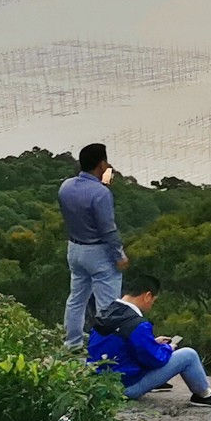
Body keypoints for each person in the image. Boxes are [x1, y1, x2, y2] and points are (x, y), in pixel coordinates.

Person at [88, 275, 211, 406]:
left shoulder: (105, 313)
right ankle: (204, 395)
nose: (151, 306)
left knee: (152, 350)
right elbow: (154, 359)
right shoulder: (137, 323)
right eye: (153, 301)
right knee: (189, 355)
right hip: (126, 389)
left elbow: (118, 344)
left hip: (101, 386)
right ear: (147, 296)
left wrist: (152, 342)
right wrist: (169, 348)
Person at [59, 142, 128, 351]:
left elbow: (82, 211)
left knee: (76, 298)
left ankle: (72, 344)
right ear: (102, 163)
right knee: (107, 305)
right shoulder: (101, 194)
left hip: (74, 248)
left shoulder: (66, 187)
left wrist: (101, 186)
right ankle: (105, 350)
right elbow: (107, 229)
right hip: (98, 252)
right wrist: (119, 255)